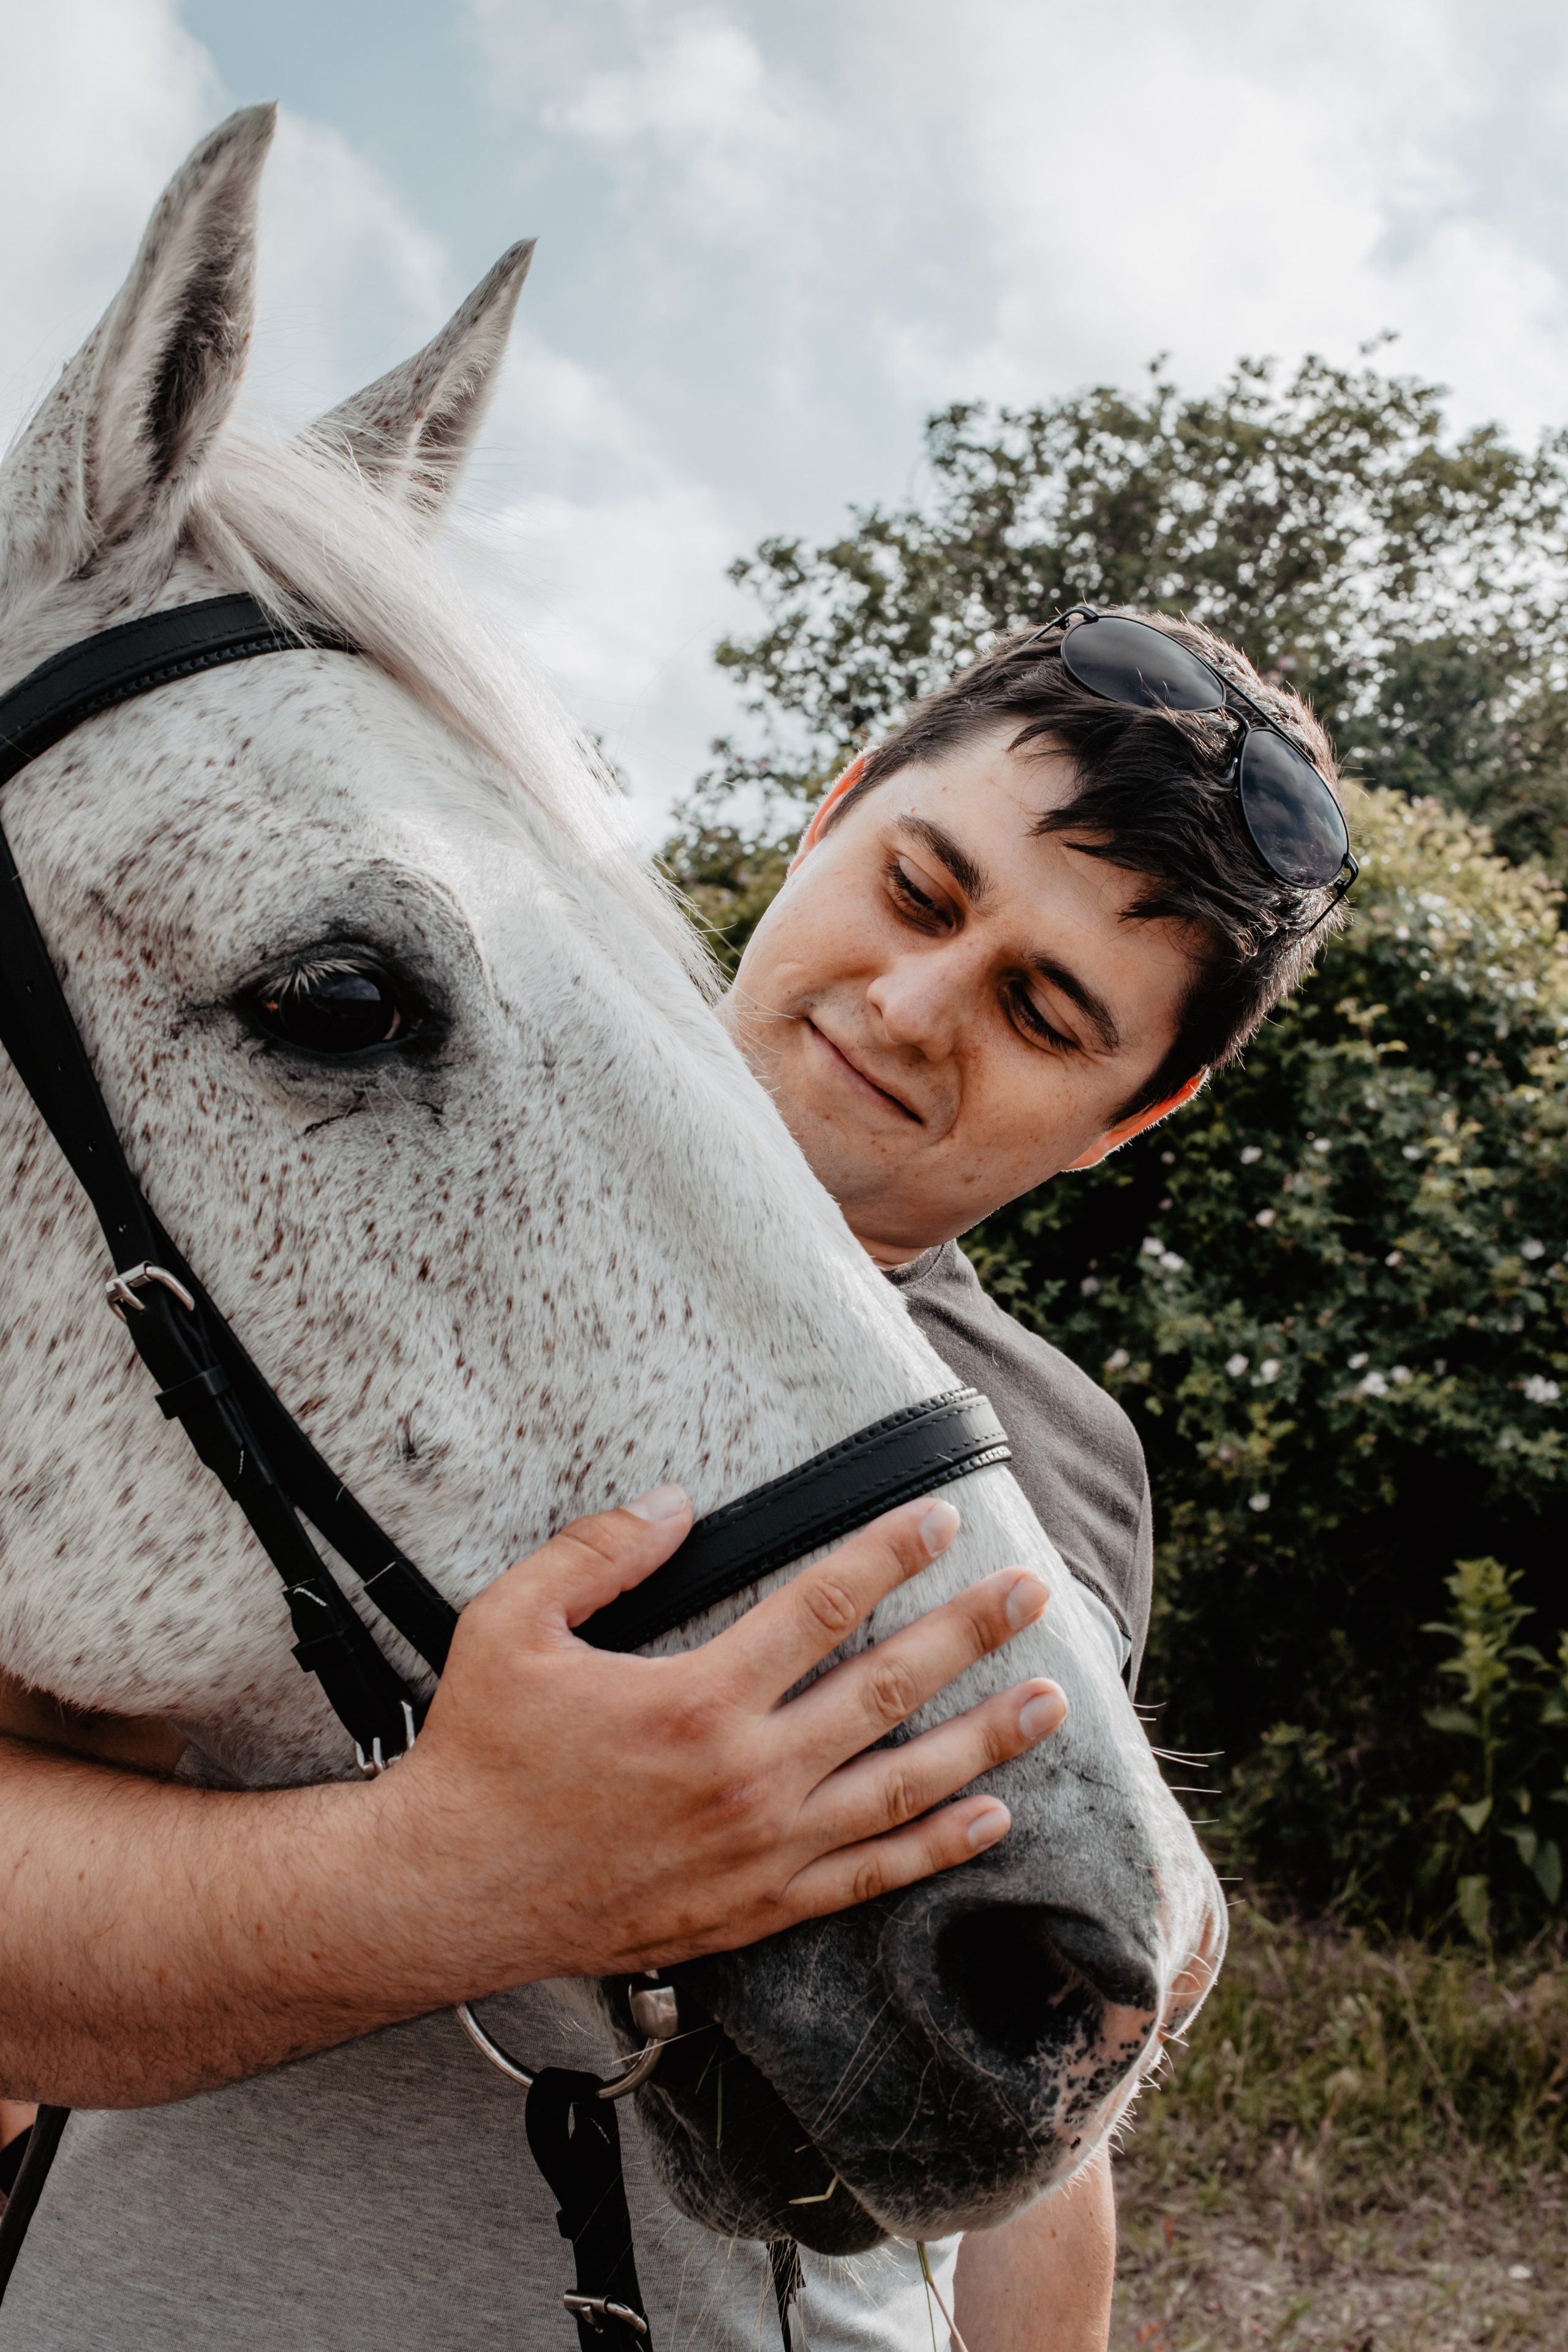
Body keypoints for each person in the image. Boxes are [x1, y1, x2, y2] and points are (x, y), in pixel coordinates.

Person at [0, 609, 1345, 2350]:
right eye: (922, 892)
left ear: (1126, 1121)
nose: (916, 1003)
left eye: (1043, 1009)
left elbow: (1044, 2118)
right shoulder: (293, 1172)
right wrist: (447, 1872)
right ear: (832, 810)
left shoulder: (1068, 1460)